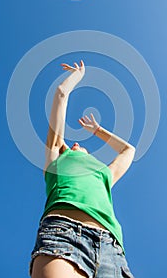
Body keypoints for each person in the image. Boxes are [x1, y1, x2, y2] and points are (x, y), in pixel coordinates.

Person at [29, 60, 135, 278]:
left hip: (112, 249)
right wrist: (77, 76)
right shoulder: (56, 160)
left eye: (80, 145)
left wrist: (98, 130)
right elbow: (60, 94)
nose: (76, 143)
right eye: (72, 145)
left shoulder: (104, 175)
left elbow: (128, 150)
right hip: (64, 235)